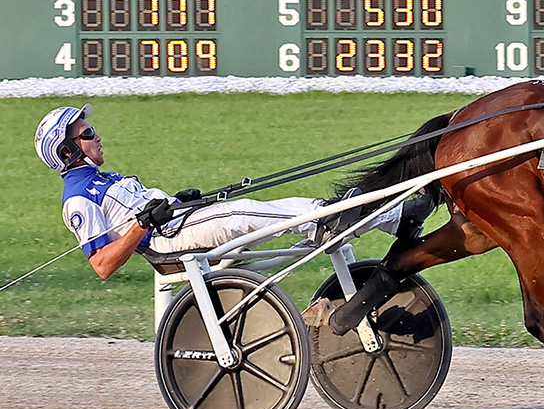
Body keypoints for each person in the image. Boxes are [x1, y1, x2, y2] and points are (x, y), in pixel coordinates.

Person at [34, 103, 432, 280]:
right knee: (243, 214)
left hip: (180, 223)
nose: (97, 135)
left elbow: (140, 209)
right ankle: (327, 221)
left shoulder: (102, 180)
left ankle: (395, 217)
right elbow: (102, 265)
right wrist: (143, 224)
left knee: (261, 204)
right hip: (170, 243)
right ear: (68, 152)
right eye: (87, 134)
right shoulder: (79, 198)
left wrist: (175, 201)